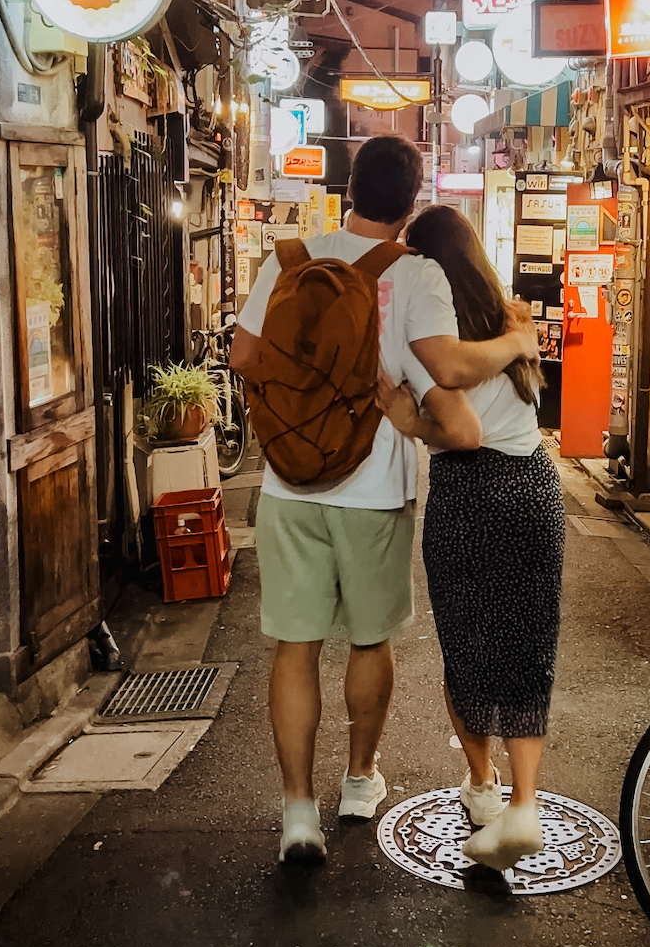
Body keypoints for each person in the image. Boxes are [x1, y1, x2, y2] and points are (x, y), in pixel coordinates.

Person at [228, 135, 539, 866]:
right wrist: (515, 340)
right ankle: (360, 779)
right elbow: (448, 364)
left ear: (347, 184)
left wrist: (291, 415)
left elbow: (243, 357)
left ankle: (298, 813)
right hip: (372, 489)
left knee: (295, 645)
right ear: (410, 201)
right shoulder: (417, 272)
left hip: (286, 485)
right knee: (370, 641)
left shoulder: (286, 259)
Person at [378, 204, 565, 873]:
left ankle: (483, 787)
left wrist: (409, 420)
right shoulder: (511, 322)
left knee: (469, 642)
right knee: (526, 642)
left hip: (470, 490)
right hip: (536, 486)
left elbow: (461, 432)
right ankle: (525, 802)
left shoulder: (431, 337)